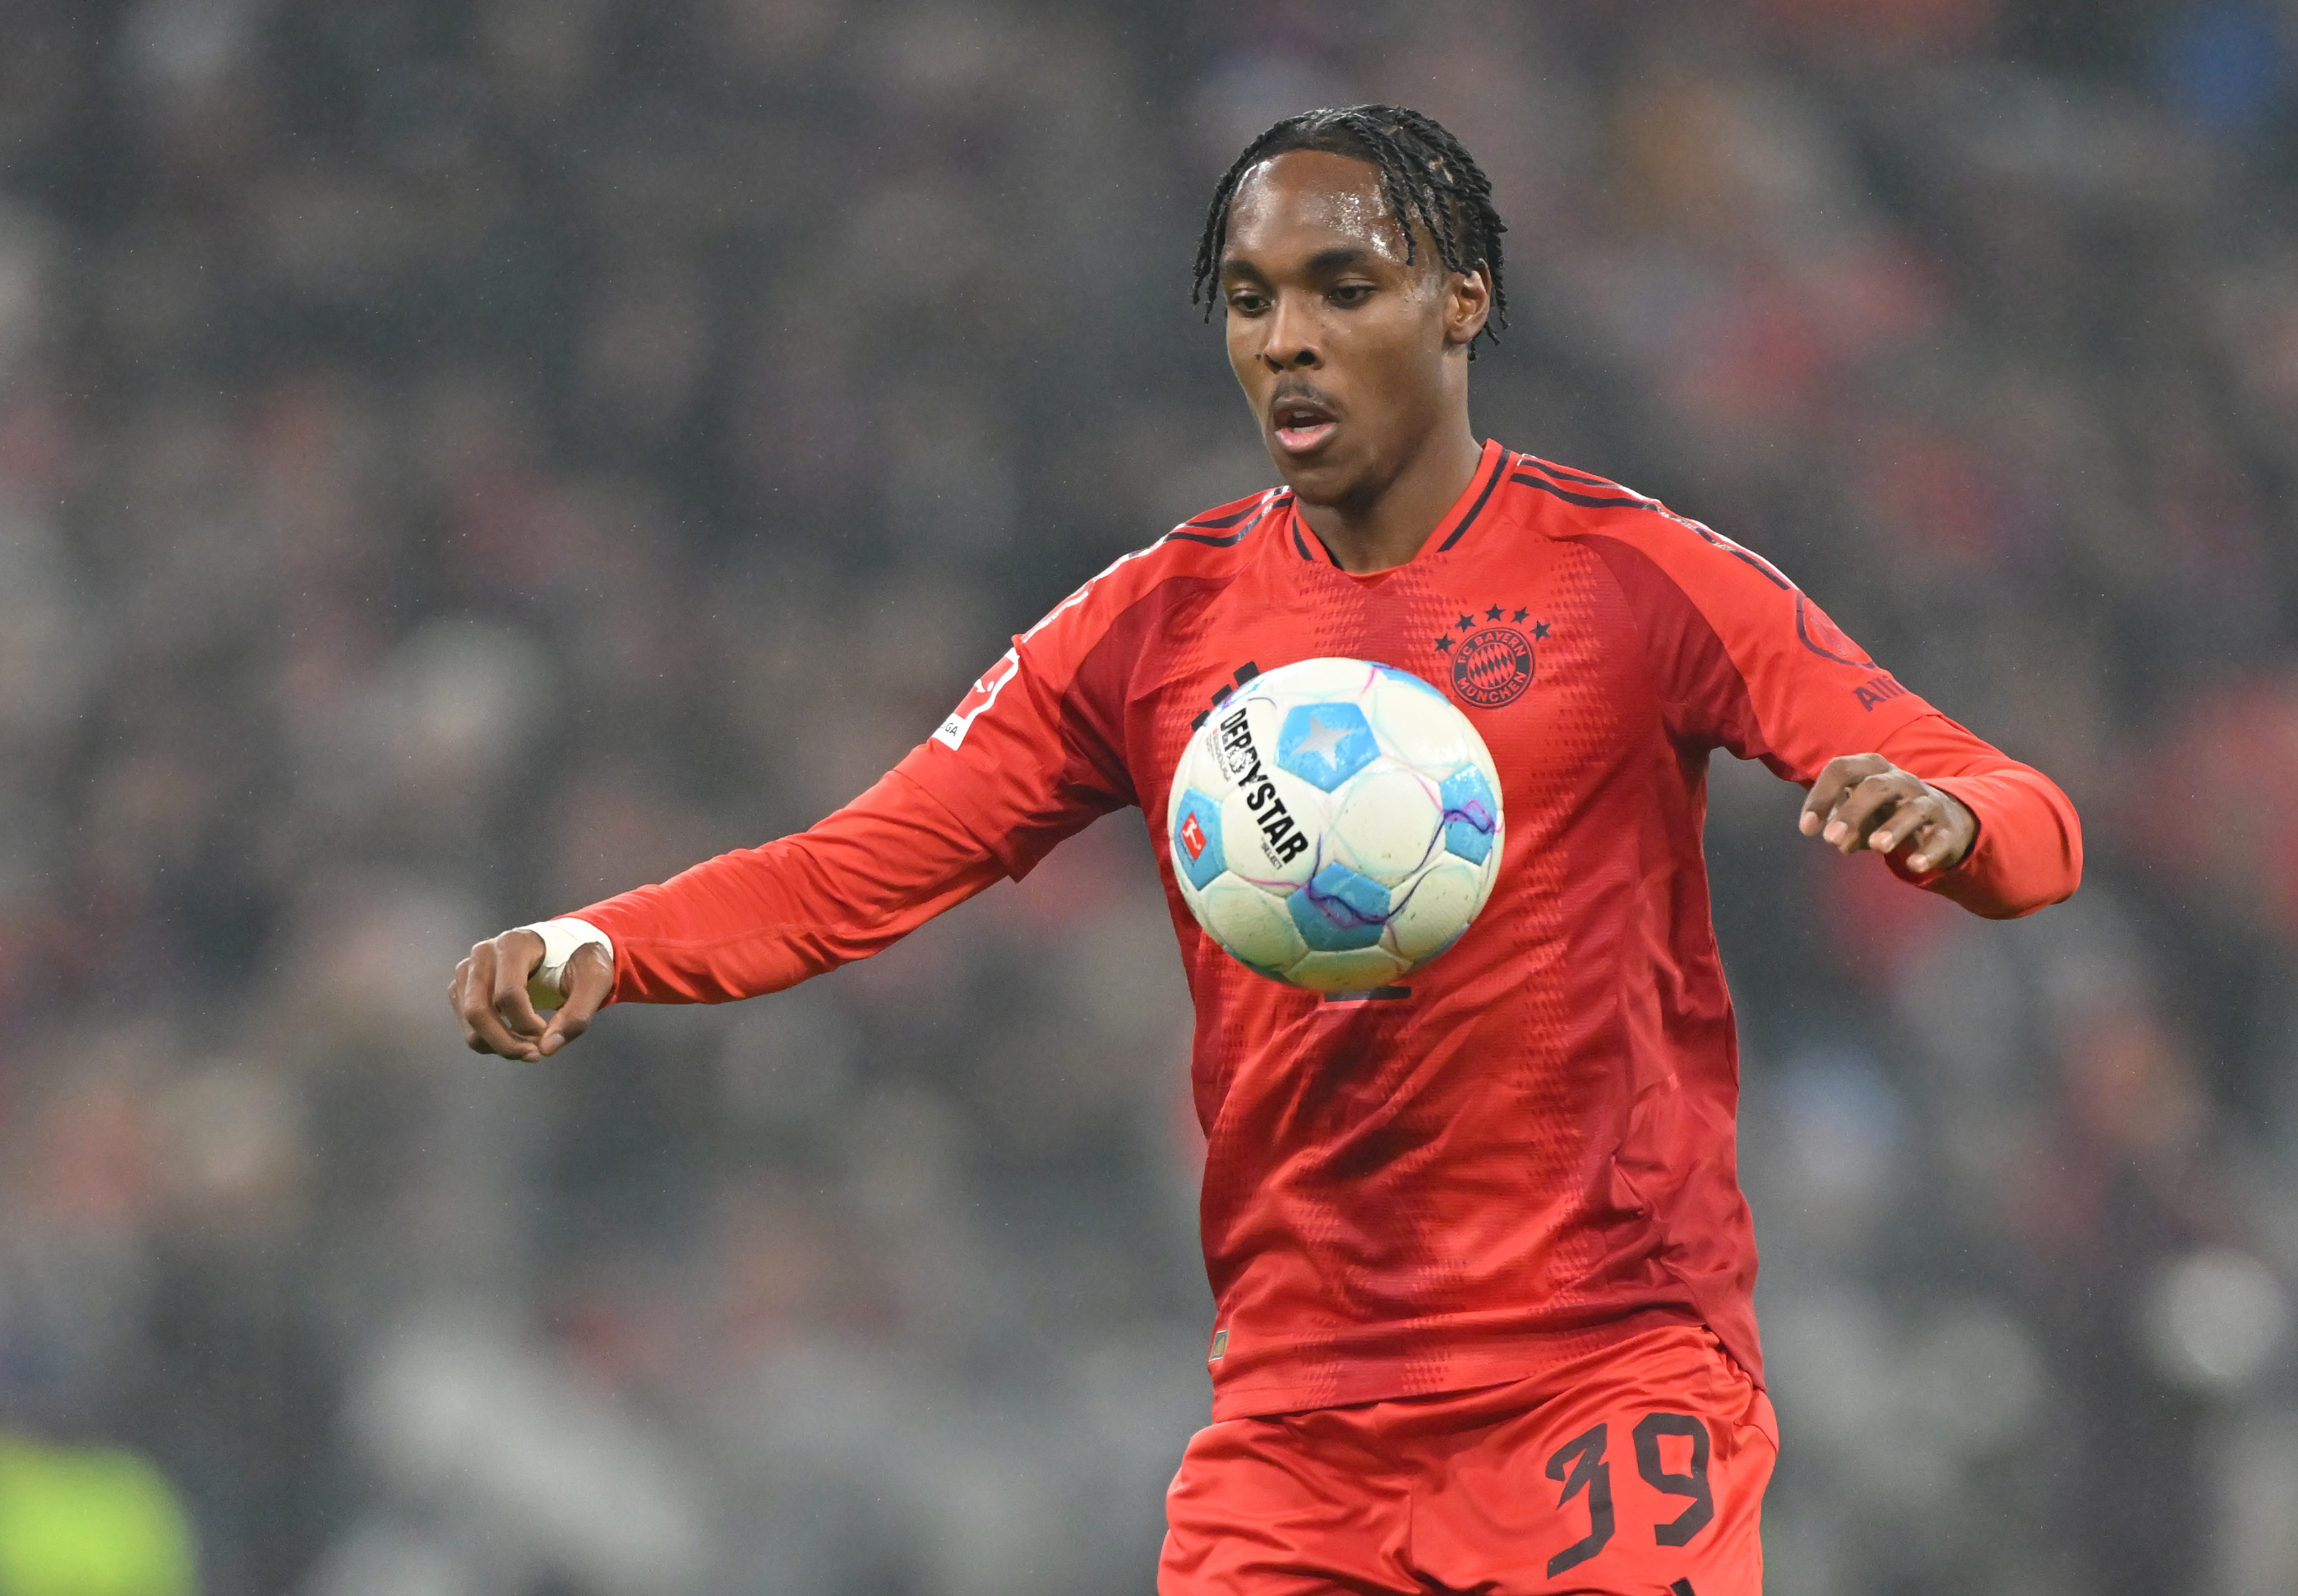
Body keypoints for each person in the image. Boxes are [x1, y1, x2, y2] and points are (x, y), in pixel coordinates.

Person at [450, 105, 2081, 1595]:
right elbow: (855, 866)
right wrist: (602, 940)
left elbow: (2029, 823)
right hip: (1300, 1425)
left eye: (1341, 285)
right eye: (1248, 297)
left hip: (1600, 1374)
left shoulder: (1634, 580)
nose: (1287, 337)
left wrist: (1949, 827)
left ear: (1460, 301)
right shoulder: (1151, 626)